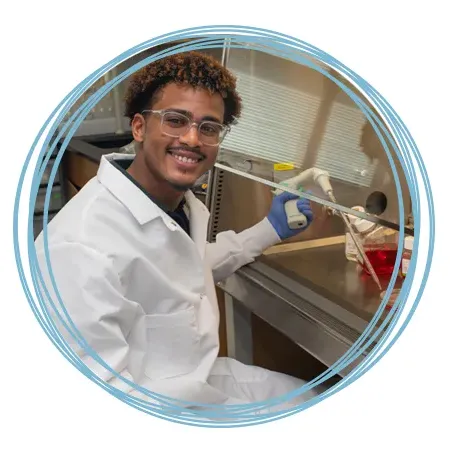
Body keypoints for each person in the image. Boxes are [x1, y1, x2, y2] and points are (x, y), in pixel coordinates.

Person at [35, 51, 319, 415]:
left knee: (315, 396)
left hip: (195, 379)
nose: (192, 139)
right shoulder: (79, 246)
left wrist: (269, 229)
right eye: (175, 120)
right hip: (155, 405)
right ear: (139, 127)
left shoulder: (172, 204)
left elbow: (184, 266)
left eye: (209, 127)